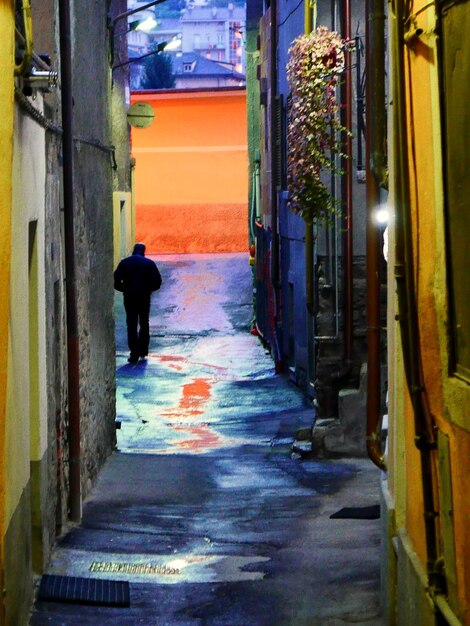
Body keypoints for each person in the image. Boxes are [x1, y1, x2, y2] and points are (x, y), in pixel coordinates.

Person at [114, 243, 162, 363]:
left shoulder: (125, 263)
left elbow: (116, 280)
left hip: (129, 297)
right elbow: (158, 282)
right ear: (143, 251)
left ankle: (134, 353)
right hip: (144, 298)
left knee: (131, 324)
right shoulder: (149, 263)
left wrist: (124, 288)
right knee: (144, 323)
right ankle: (143, 350)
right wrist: (148, 289)